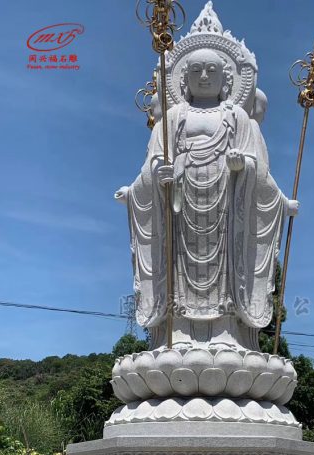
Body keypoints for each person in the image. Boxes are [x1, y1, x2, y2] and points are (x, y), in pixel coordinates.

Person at [115, 48, 298, 350]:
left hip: (226, 204)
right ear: (183, 78)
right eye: (196, 70)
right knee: (177, 267)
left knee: (226, 267)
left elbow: (258, 166)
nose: (203, 76)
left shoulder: (238, 117)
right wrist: (145, 183)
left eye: (211, 70)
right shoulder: (172, 117)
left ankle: (227, 331)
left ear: (226, 79)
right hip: (179, 202)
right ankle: (178, 332)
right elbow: (155, 160)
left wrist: (247, 170)